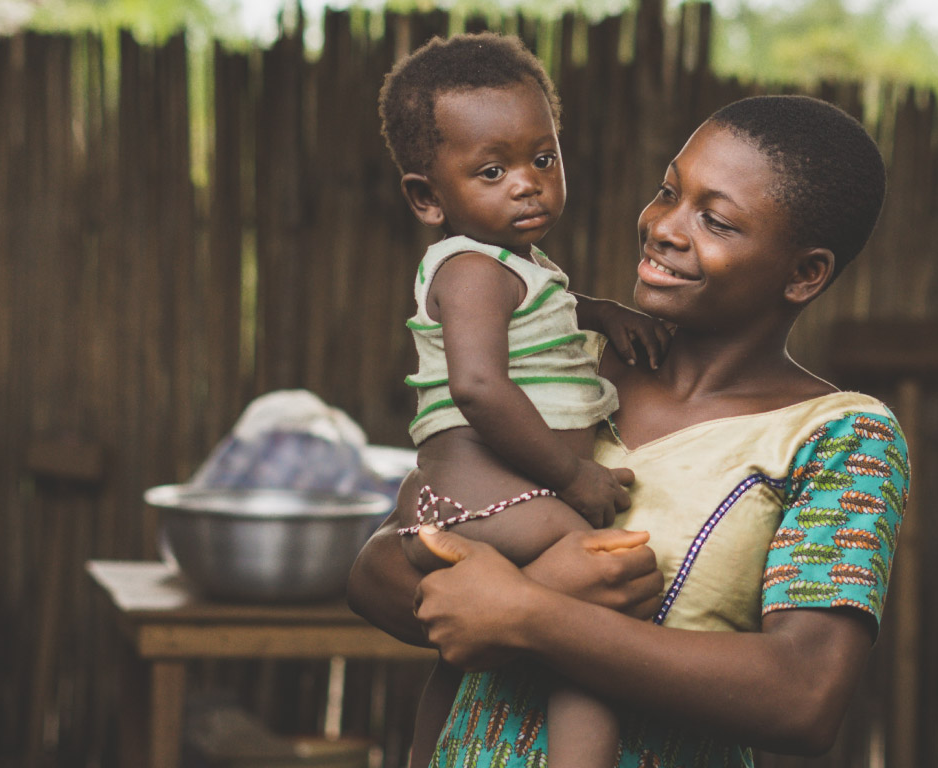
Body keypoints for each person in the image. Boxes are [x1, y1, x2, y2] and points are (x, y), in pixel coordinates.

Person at [349, 93, 908, 768]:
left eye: (717, 221)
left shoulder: (840, 438)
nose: (665, 226)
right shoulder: (557, 363)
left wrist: (531, 614)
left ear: (804, 273)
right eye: (668, 191)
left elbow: (804, 696)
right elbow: (381, 565)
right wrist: (506, 599)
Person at [376, 33, 674, 768]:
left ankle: (428, 755)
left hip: (484, 503)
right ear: (427, 196)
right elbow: (479, 386)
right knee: (597, 610)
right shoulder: (472, 269)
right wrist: (573, 479)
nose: (527, 183)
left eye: (543, 158)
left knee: (472, 650)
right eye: (492, 169)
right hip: (496, 503)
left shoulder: (514, 266)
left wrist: (600, 312)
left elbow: (545, 313)